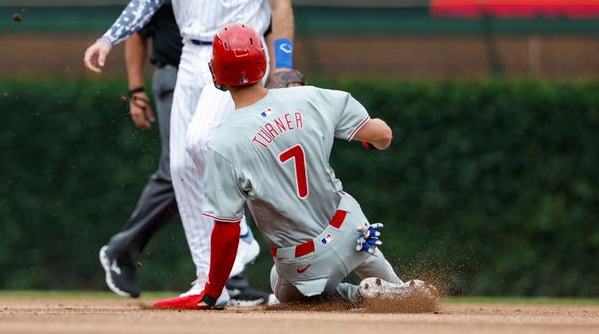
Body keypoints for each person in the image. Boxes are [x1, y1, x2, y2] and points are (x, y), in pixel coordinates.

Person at [84, 0, 297, 302]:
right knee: (180, 165)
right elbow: (147, 0)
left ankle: (239, 242)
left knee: (202, 143)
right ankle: (210, 282)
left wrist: (284, 66)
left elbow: (281, 4)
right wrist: (107, 38)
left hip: (239, 60)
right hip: (189, 61)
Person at [152, 24, 438, 310]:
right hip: (353, 231)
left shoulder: (222, 143)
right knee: (403, 299)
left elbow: (226, 231)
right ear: (263, 63)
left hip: (306, 263)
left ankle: (358, 295)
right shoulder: (312, 97)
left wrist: (211, 293)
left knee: (280, 288)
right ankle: (396, 291)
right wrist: (368, 141)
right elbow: (382, 135)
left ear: (218, 74)